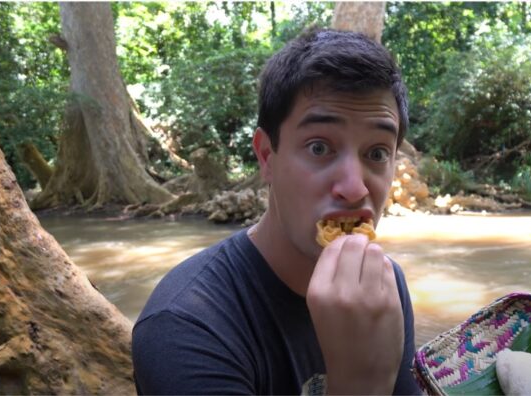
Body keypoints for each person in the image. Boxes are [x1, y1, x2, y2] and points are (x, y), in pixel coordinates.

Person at [132, 28, 421, 395]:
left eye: (377, 153)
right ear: (267, 156)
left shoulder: (383, 284)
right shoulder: (185, 327)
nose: (354, 188)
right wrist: (361, 382)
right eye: (319, 148)